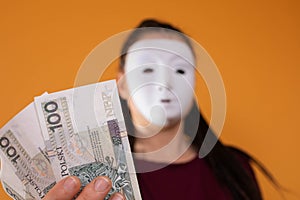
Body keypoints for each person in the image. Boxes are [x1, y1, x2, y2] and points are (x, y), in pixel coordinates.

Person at [45, 19, 279, 200]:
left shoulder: (235, 169)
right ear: (122, 84)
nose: (165, 83)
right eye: (148, 70)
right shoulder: (94, 174)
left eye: (179, 70)